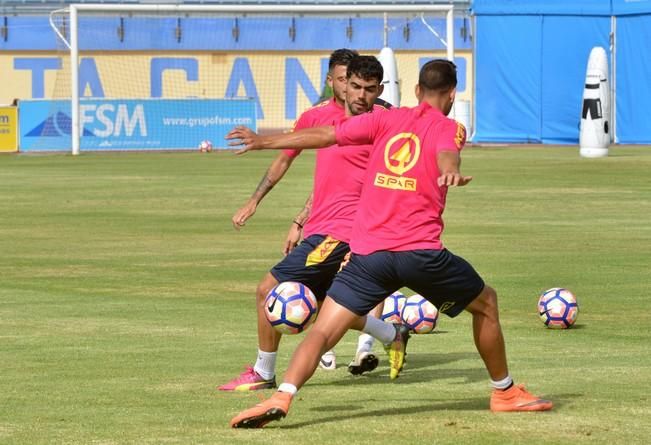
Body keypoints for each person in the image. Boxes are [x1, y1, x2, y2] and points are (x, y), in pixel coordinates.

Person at [226, 59, 553, 427]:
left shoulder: (386, 120)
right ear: (451, 94)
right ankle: (505, 391)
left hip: (368, 256)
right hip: (420, 254)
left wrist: (263, 141)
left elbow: (327, 134)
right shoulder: (450, 126)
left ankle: (283, 394)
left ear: (416, 91)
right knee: (486, 303)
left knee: (321, 330)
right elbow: (448, 148)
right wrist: (450, 169)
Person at [219, 52, 405, 392]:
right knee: (326, 307)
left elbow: (387, 184)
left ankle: (263, 372)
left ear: (378, 90)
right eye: (352, 84)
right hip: (320, 225)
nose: (359, 94)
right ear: (339, 83)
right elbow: (301, 164)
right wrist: (284, 213)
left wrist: (365, 240)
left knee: (268, 290)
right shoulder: (319, 119)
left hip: (343, 232)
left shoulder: (381, 125)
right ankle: (392, 333)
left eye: (368, 88)